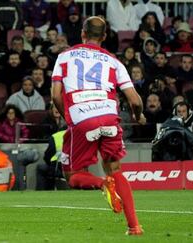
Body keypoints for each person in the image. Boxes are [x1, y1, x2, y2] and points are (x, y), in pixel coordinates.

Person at [51, 16, 145, 235]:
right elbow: (135, 101)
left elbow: (56, 94)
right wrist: (138, 116)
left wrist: (68, 116)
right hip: (109, 116)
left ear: (82, 33)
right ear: (104, 36)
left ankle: (103, 184)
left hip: (81, 116)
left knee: (74, 176)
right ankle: (134, 226)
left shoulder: (64, 57)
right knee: (116, 169)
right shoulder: (114, 61)